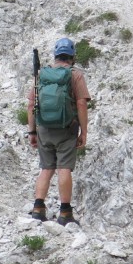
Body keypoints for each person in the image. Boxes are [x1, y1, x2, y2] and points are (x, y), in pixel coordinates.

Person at [27, 37, 91, 225]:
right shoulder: (75, 75)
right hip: (66, 129)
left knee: (46, 168)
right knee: (64, 168)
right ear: (73, 56)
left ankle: (38, 208)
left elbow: (31, 105)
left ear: (56, 55)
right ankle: (65, 213)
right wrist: (84, 132)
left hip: (44, 129)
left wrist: (32, 132)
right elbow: (81, 103)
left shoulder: (42, 75)